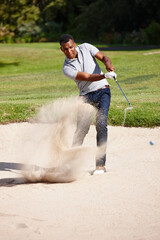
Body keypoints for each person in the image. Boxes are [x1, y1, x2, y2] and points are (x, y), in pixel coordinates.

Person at [59, 34, 117, 175]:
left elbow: (103, 57)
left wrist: (107, 64)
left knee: (101, 124)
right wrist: (105, 75)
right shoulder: (67, 68)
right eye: (65, 49)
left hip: (103, 91)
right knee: (81, 130)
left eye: (71, 47)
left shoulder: (86, 47)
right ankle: (70, 164)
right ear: (62, 50)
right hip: (86, 96)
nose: (69, 51)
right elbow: (88, 77)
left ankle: (100, 166)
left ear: (75, 44)